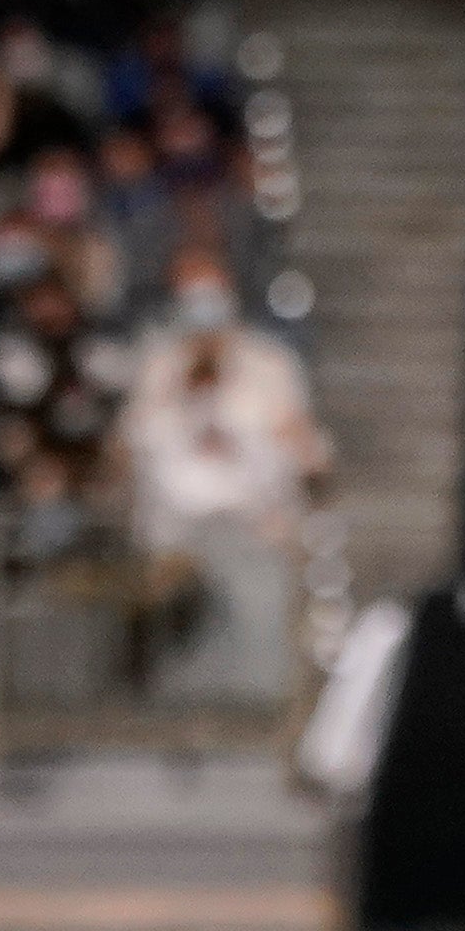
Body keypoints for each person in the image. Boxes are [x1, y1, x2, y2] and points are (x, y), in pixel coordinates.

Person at [115, 253, 325, 705]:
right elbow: (133, 441)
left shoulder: (270, 364)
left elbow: (302, 444)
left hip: (255, 527)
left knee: (261, 613)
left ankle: (257, 713)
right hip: (175, 533)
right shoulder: (157, 366)